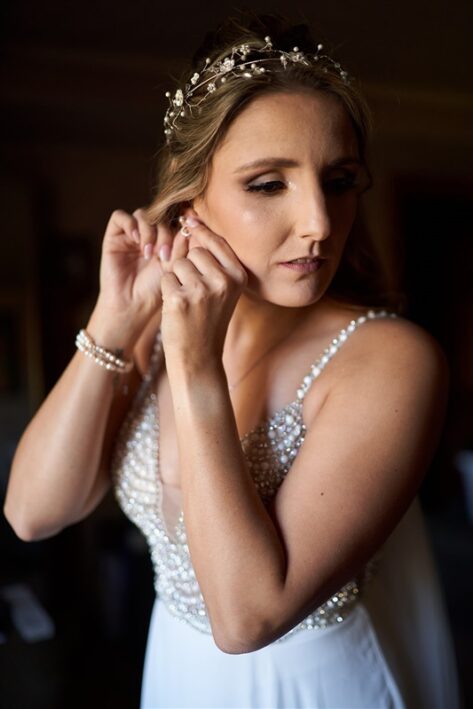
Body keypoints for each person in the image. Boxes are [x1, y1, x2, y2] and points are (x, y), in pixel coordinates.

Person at [4, 13, 462, 709]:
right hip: (175, 676)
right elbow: (32, 513)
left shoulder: (391, 360)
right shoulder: (147, 332)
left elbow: (248, 616)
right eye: (268, 184)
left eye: (339, 180)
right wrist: (112, 320)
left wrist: (196, 369)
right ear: (191, 198)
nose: (318, 222)